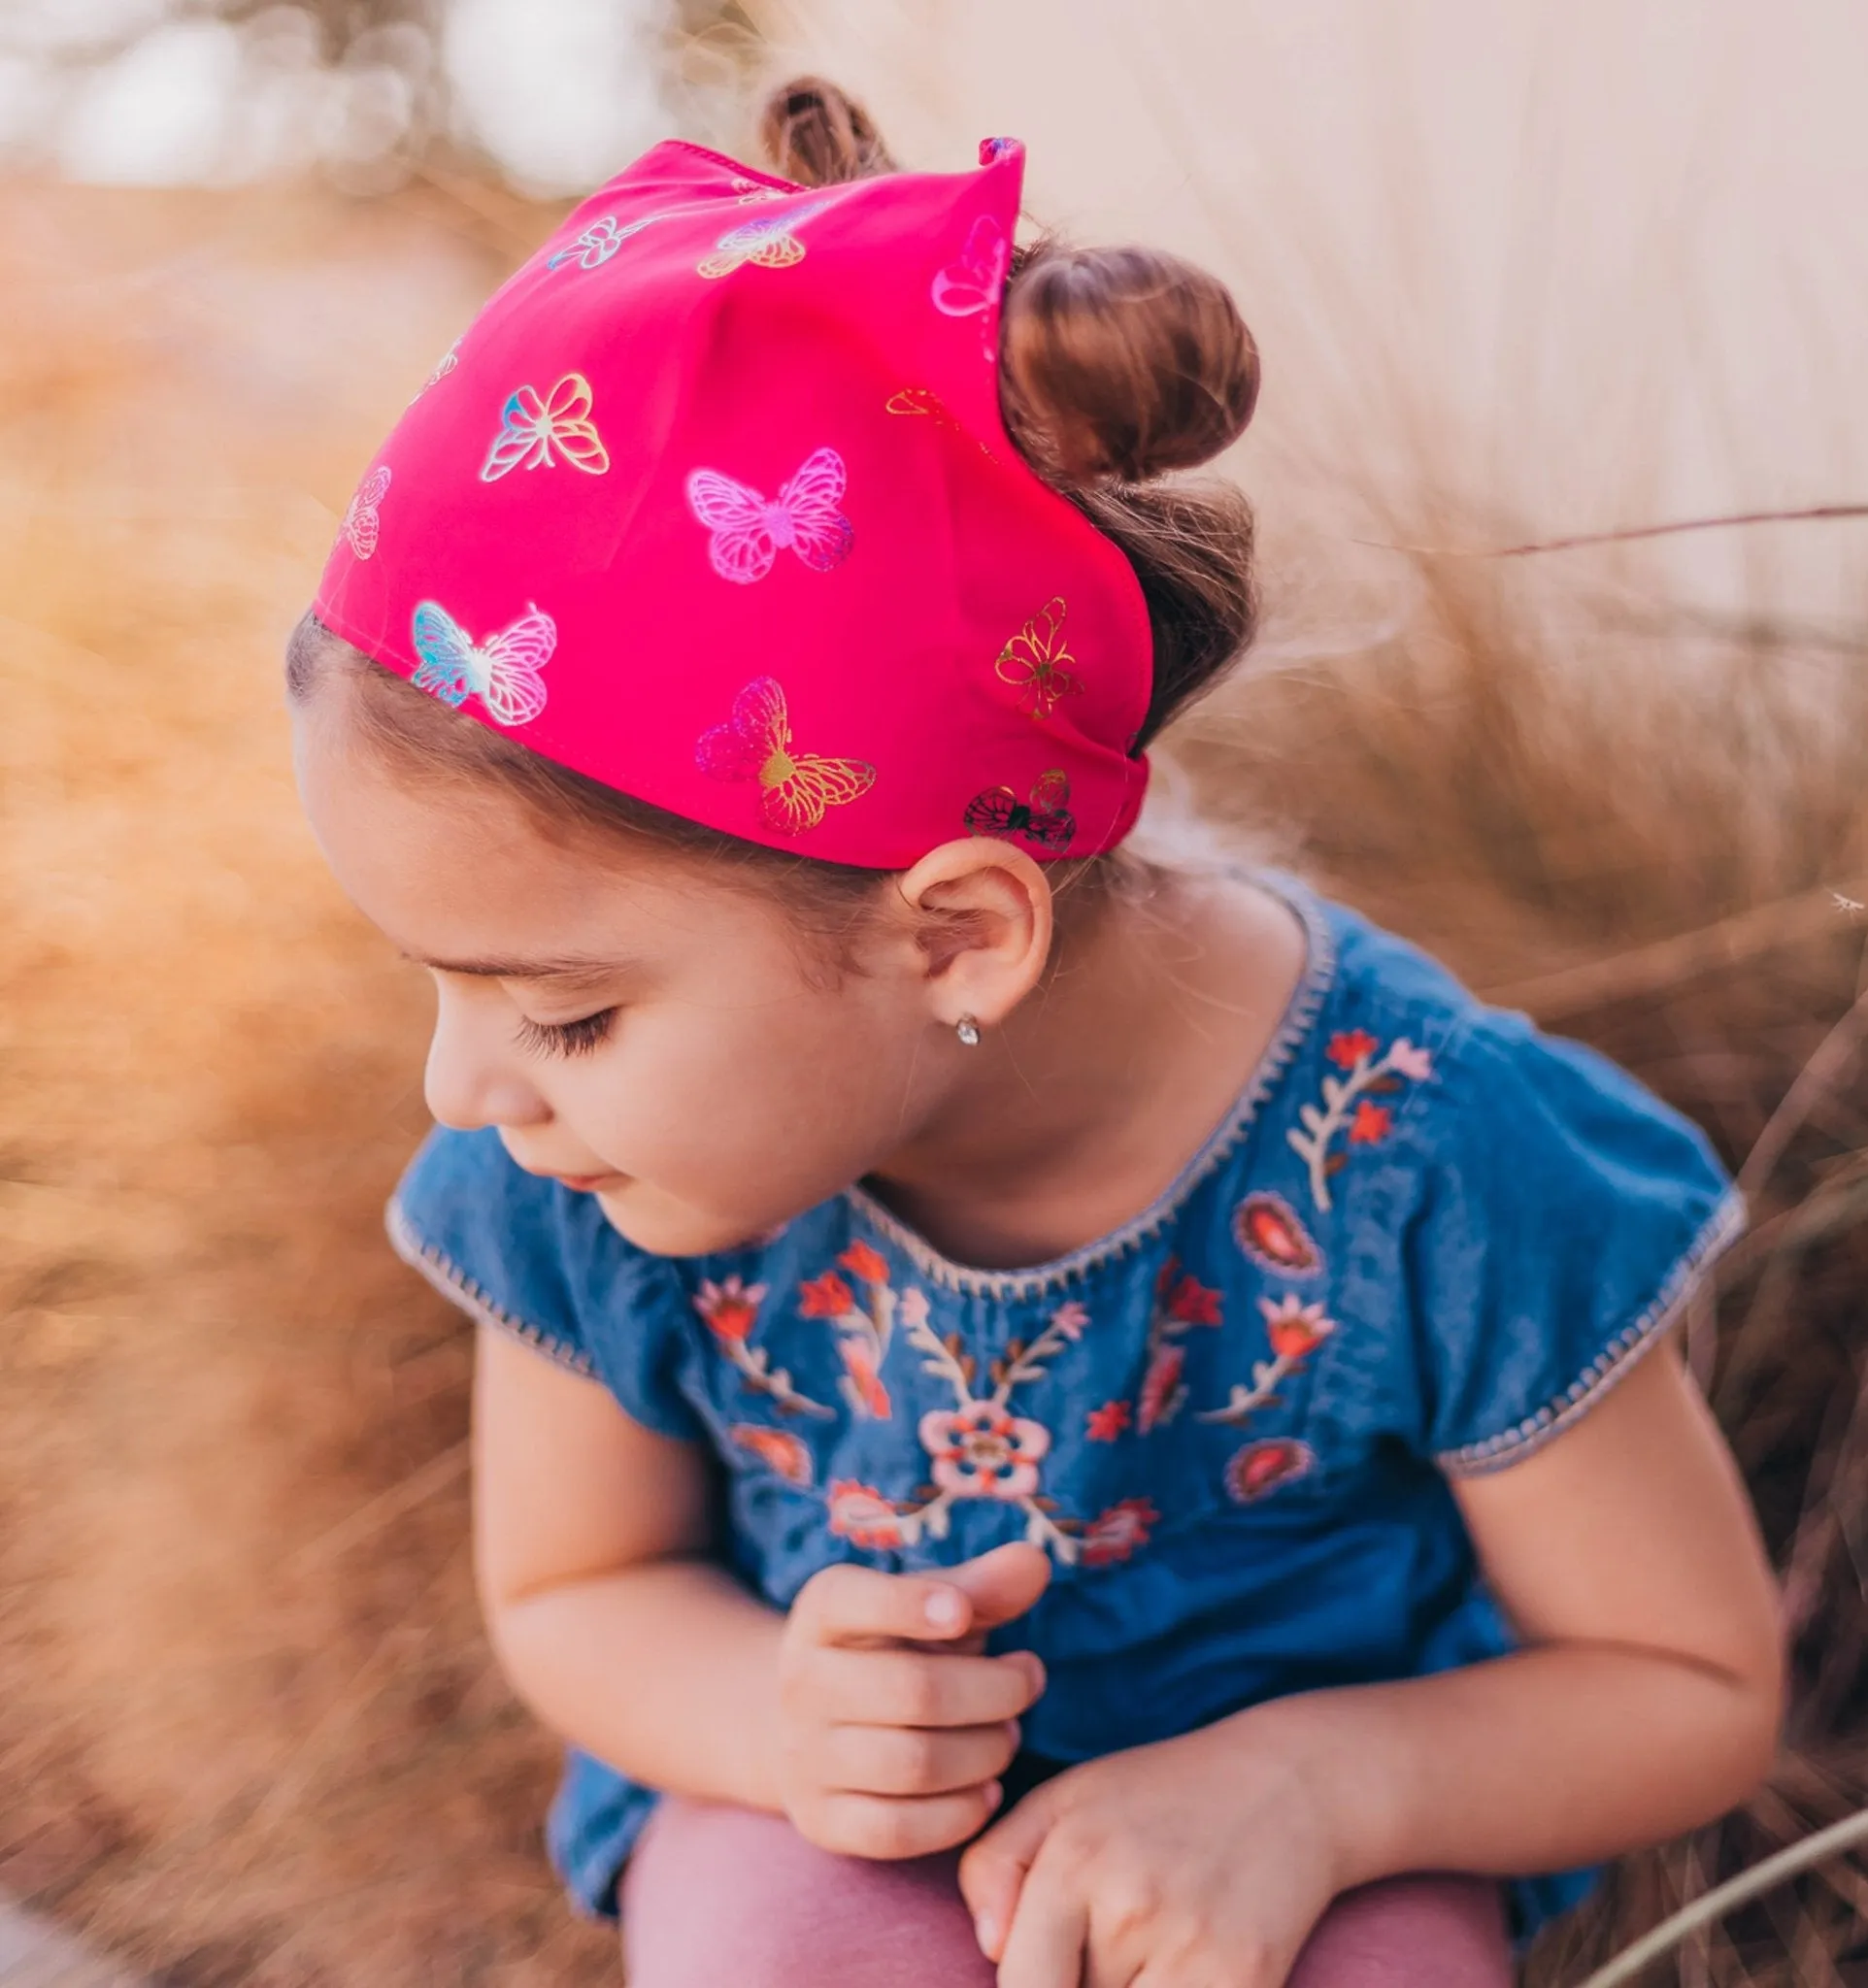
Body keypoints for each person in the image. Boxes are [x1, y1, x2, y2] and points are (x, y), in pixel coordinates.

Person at [286, 75, 1784, 1988]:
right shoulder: (596, 1158)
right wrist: (776, 1717)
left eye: (564, 1011)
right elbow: (573, 1586)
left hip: (1325, 1834)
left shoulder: (1432, 1160)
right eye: (436, 981)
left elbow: (1686, 1676)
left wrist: (1321, 1790)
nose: (462, 1088)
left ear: (960, 936)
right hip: (814, 1819)